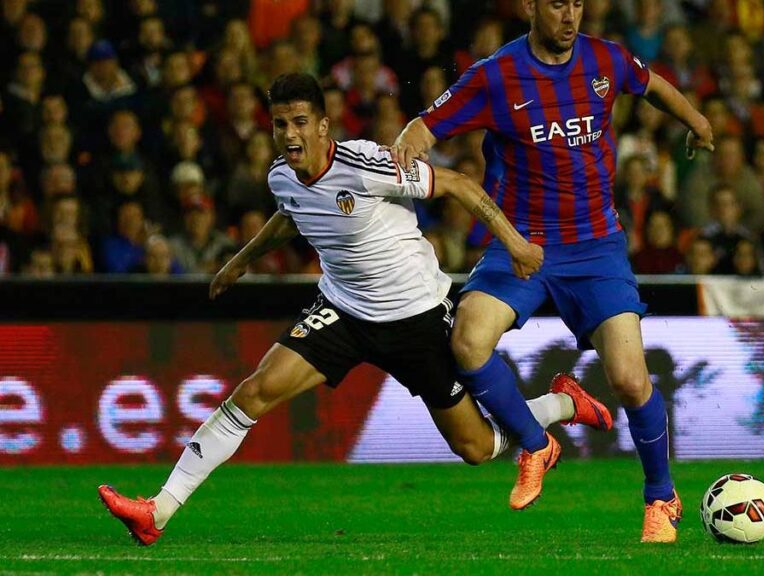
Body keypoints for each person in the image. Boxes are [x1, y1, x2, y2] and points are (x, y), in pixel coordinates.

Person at [98, 73, 613, 546]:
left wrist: (518, 245)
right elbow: (288, 215)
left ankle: (562, 403)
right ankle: (157, 511)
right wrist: (240, 263)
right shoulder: (282, 176)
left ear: (324, 125)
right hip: (343, 312)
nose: (289, 134)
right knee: (254, 391)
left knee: (475, 448)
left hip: (417, 317)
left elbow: (457, 184)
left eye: (300, 122)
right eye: (280, 124)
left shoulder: (367, 165)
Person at [391, 0, 714, 543]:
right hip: (522, 247)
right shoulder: (496, 74)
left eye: (578, 4)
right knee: (467, 342)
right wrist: (405, 146)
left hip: (596, 248)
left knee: (632, 381)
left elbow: (651, 83)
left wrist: (697, 121)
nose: (570, 15)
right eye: (558, 4)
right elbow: (426, 126)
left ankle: (661, 497)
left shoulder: (605, 60)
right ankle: (536, 444)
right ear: (530, 7)